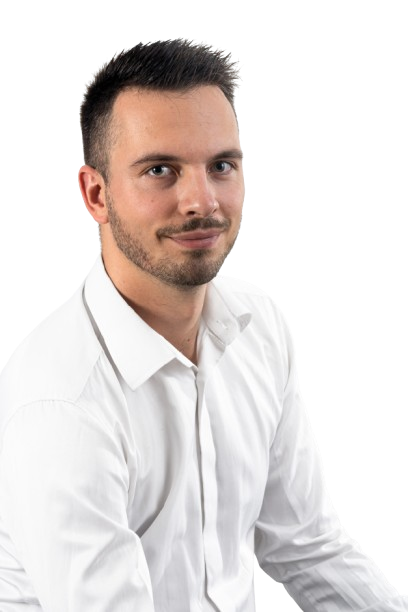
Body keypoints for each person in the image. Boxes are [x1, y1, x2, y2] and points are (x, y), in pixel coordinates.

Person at [0, 38, 406, 612]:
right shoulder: (60, 399)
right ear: (96, 194)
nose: (202, 201)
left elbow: (308, 547)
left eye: (221, 166)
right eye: (160, 170)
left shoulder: (258, 325)